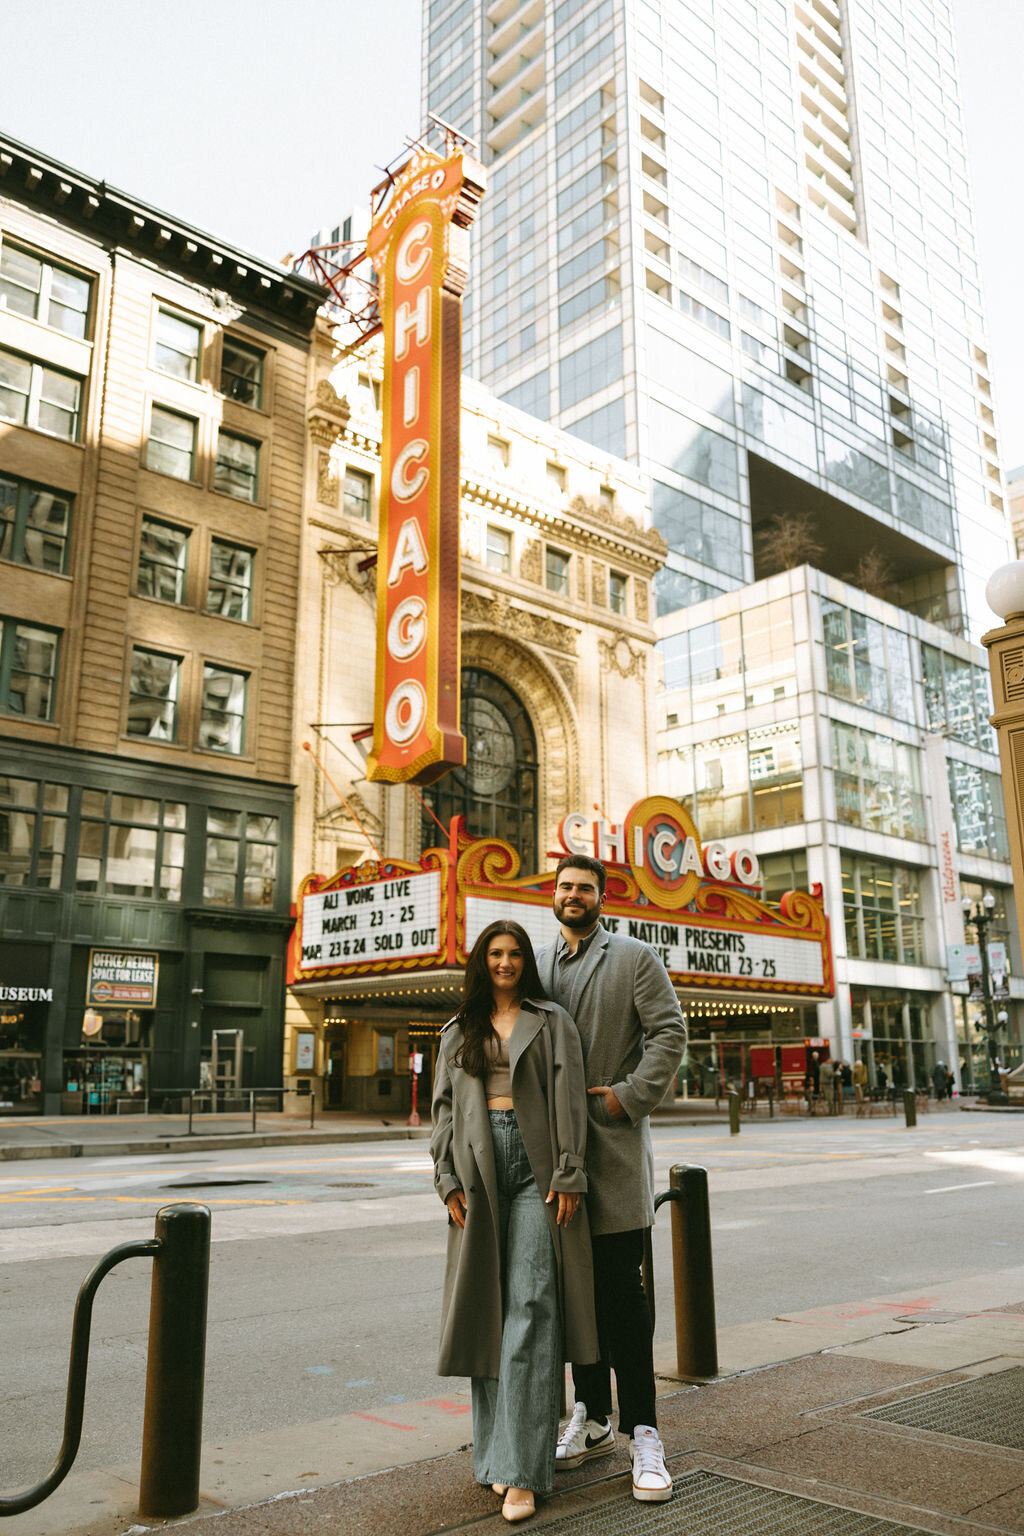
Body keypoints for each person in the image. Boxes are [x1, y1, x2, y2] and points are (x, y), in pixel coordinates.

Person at [430, 920, 599, 1525]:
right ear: (483, 962)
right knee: (488, 1313)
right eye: (495, 954)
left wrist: (570, 1171)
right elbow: (443, 1110)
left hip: (537, 1167)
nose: (505, 963)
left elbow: (570, 1099)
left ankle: (523, 1472)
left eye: (515, 954)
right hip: (476, 1169)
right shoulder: (459, 1029)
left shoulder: (552, 1021)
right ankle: (496, 1457)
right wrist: (445, 1179)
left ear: (527, 961)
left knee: (531, 1309)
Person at [536, 855, 686, 1504]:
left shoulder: (632, 957)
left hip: (613, 1153)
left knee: (623, 1299)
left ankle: (644, 1431)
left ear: (602, 897)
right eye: (565, 887)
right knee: (575, 1298)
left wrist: (628, 1097)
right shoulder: (535, 964)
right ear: (554, 895)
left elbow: (669, 1032)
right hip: (551, 1161)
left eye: (585, 888)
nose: (574, 895)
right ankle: (592, 1414)